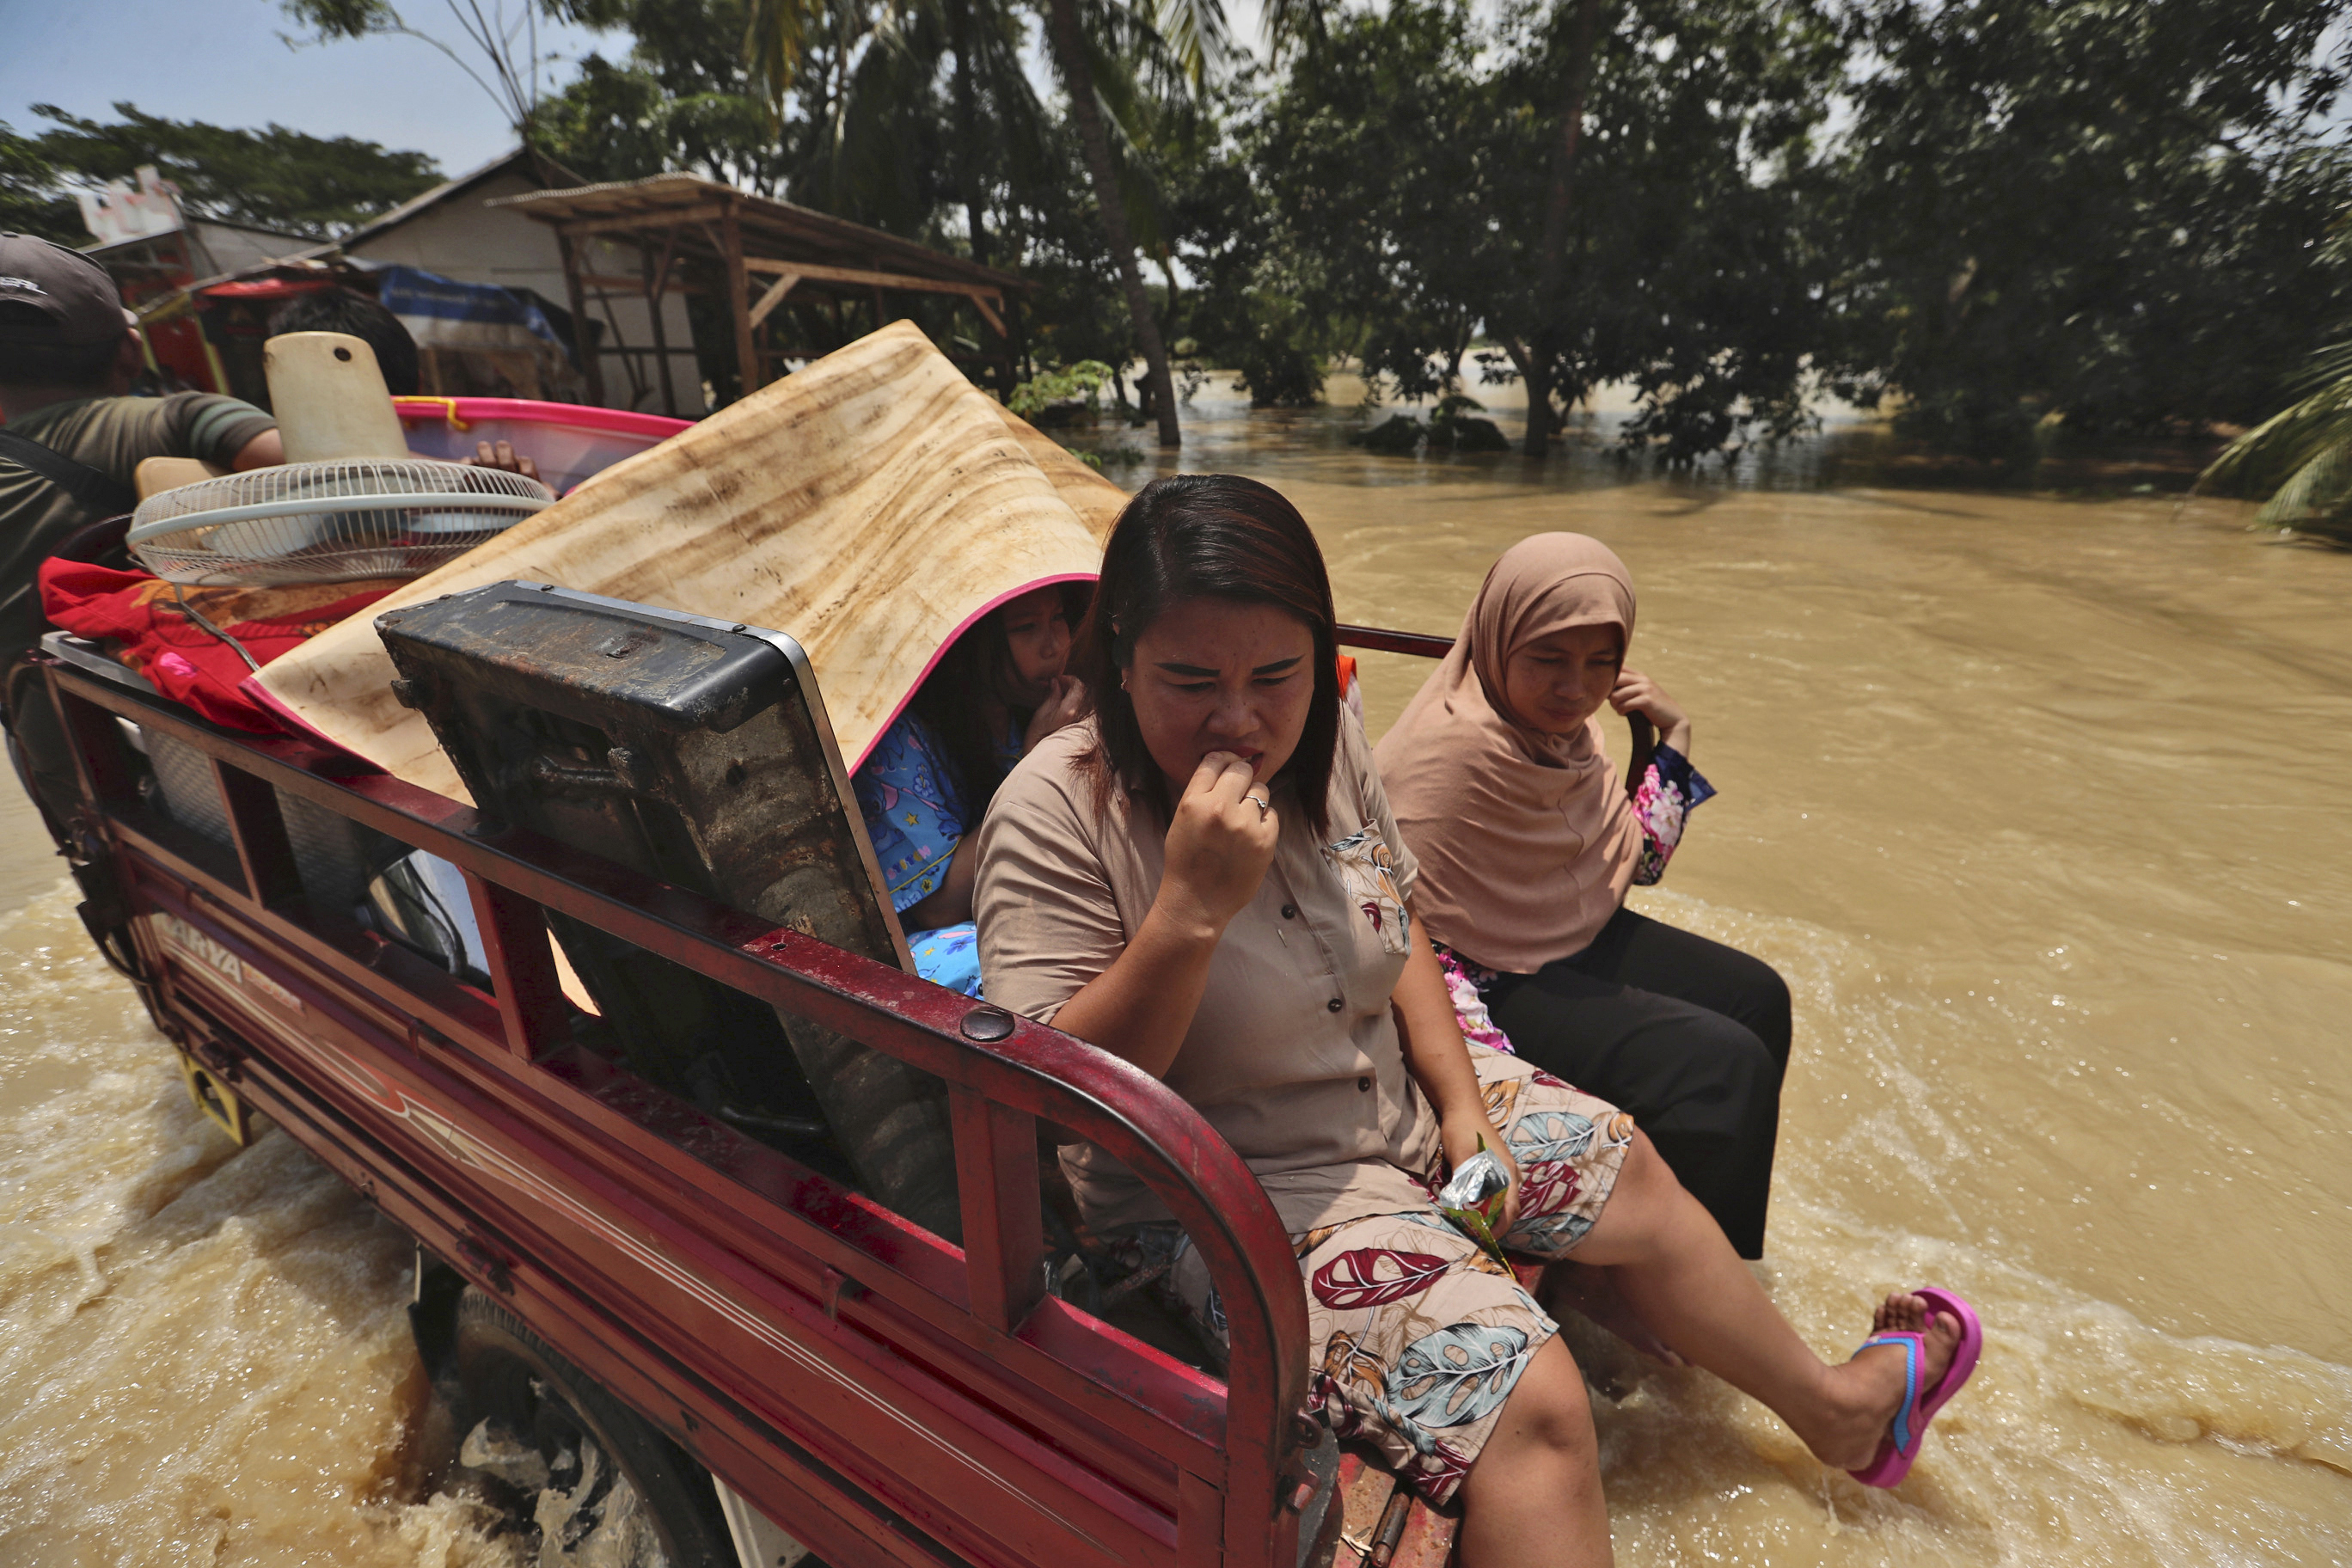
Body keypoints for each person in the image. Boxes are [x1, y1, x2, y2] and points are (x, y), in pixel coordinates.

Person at [972, 475, 1977, 1566]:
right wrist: (1186, 914)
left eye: (1277, 675)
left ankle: (1835, 1414)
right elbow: (1067, 1100)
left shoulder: (1325, 749)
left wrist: (1462, 1108)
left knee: (1626, 1159)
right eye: (1190, 682)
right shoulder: (1053, 812)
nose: (1242, 719)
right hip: (1225, 1197)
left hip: (1386, 1100)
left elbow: (1395, 914)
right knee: (1536, 1405)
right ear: (1115, 659)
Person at [1375, 533, 1792, 1260]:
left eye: (1602, 662)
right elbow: (1390, 930)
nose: (1577, 688)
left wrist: (1677, 736)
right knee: (1721, 1062)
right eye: (1549, 660)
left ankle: (1708, 1255)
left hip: (1559, 936)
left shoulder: (1569, 741)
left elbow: (1642, 862)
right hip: (1472, 981)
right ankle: (1673, 1268)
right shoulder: (1444, 757)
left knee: (1760, 996)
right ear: (1497, 639)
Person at [854, 582, 1090, 995]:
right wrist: (1034, 763)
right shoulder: (900, 742)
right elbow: (938, 907)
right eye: (1026, 628)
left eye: (1057, 618)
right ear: (973, 645)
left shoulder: (1042, 709)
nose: (1054, 646)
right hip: (941, 938)